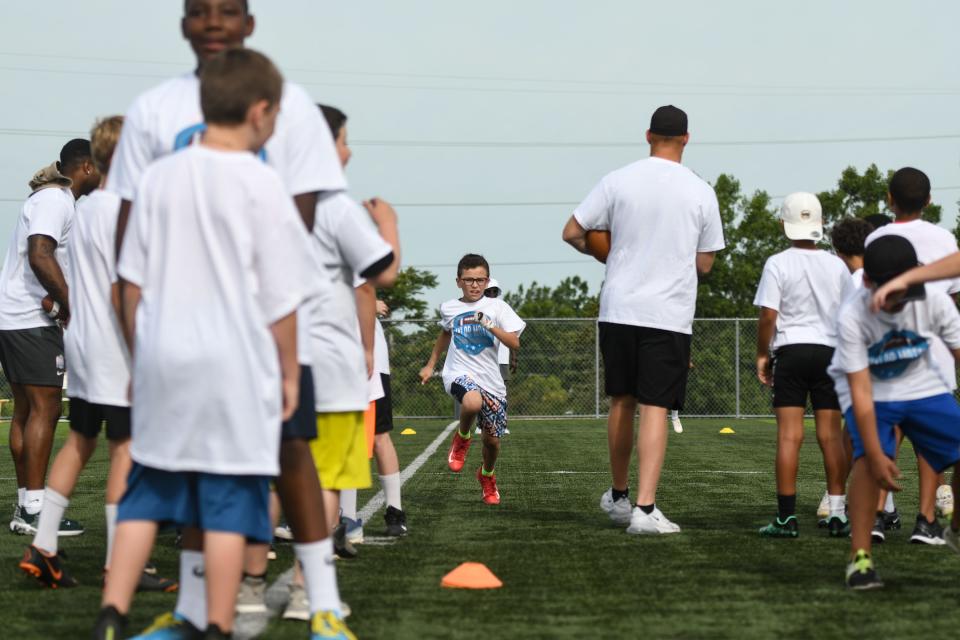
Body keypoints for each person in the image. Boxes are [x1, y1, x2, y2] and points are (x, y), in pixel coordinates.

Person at [105, 1, 350, 635]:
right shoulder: (154, 109)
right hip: (201, 329)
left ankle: (319, 600)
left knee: (292, 446)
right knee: (194, 460)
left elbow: (296, 218)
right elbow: (129, 239)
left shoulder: (291, 103)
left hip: (263, 323)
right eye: (199, 11)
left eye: (228, 11)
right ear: (184, 24)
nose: (213, 21)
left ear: (249, 23)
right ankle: (195, 610)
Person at [17, 116, 175, 592]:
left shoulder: (84, 207)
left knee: (82, 440)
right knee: (124, 448)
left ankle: (43, 548)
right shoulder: (124, 211)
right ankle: (119, 564)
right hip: (115, 346)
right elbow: (123, 289)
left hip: (84, 340)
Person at [561, 105, 724, 534]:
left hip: (619, 306)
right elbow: (705, 264)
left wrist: (608, 253)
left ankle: (618, 497)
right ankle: (646, 509)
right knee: (655, 405)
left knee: (621, 400)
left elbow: (573, 232)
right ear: (687, 139)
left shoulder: (618, 178)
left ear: (648, 135)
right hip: (667, 312)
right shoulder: (701, 191)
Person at [833, 235, 960, 588]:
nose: (896, 302)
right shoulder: (852, 315)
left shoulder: (932, 298)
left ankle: (956, 528)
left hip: (924, 386)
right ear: (868, 282)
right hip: (873, 391)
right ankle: (860, 560)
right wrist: (874, 451)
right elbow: (860, 393)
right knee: (865, 462)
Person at [307, 103, 399, 560]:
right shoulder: (335, 208)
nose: (349, 150)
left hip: (278, 357)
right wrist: (389, 225)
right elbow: (380, 274)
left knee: (280, 470)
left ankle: (250, 578)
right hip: (330, 358)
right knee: (333, 471)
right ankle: (311, 584)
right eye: (343, 140)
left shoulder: (268, 200)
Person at [0, 138, 99, 537]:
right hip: (29, 320)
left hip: (16, 317)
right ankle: (35, 510)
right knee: (45, 409)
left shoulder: (56, 199)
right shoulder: (56, 199)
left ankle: (27, 506)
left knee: (27, 410)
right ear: (87, 168)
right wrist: (69, 303)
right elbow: (40, 252)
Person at [864, 167, 957, 544]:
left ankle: (876, 513)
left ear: (890, 198)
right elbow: (949, 298)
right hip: (932, 349)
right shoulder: (943, 238)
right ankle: (926, 519)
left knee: (888, 433)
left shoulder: (878, 237)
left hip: (885, 348)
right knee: (931, 440)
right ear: (930, 200)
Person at [754, 193, 853, 538]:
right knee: (830, 437)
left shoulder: (777, 263)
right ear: (820, 224)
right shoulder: (837, 265)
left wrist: (762, 355)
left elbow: (768, 315)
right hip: (831, 354)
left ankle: (786, 519)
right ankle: (838, 514)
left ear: (784, 224)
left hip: (792, 352)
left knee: (789, 436)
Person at [419, 254, 525, 505]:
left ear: (487, 281)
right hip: (458, 373)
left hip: (492, 382)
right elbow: (445, 333)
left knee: (492, 442)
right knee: (472, 402)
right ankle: (462, 439)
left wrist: (489, 325)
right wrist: (431, 364)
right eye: (468, 280)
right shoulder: (449, 307)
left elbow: (514, 342)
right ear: (458, 281)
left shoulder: (497, 307)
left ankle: (486, 475)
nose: (474, 285)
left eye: (479, 280)